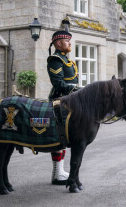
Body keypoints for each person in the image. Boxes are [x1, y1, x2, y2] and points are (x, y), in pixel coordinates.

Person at [47, 30, 79, 185]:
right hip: (59, 101)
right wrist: (76, 90)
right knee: (60, 136)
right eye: (67, 41)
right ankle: (57, 172)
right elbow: (58, 84)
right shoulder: (55, 59)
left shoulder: (66, 60)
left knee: (66, 136)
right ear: (58, 43)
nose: (70, 43)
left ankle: (60, 171)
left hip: (69, 100)